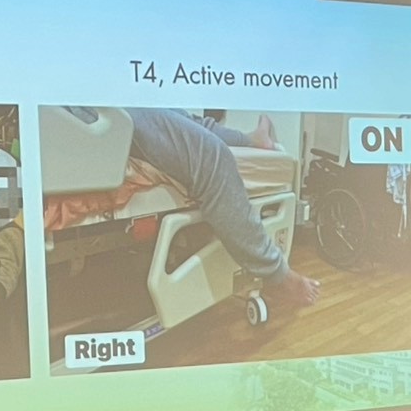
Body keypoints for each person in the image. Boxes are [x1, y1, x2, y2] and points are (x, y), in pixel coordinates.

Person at [65, 107, 320, 307]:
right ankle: (277, 275)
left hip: (90, 104)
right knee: (212, 155)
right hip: (81, 110)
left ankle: (253, 140)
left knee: (181, 117)